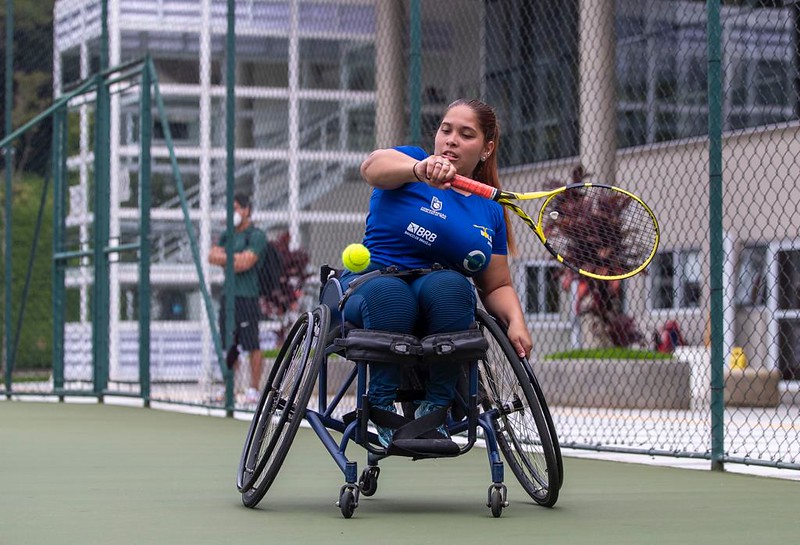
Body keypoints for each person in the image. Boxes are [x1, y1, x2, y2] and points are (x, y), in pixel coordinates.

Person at [343, 98, 533, 446]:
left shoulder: (489, 210)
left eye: (466, 134)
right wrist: (420, 170)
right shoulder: (410, 161)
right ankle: (382, 404)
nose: (451, 140)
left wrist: (516, 320)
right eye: (446, 130)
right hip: (373, 283)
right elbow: (371, 166)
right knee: (392, 297)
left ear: (486, 148)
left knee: (454, 288)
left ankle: (437, 407)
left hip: (438, 297)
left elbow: (496, 284)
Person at [208, 193, 267, 404]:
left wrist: (227, 258)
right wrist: (235, 257)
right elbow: (211, 256)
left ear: (246, 210)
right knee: (230, 343)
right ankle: (229, 387)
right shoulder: (227, 235)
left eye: (236, 208)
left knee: (252, 343)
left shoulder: (257, 235)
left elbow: (246, 263)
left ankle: (253, 389)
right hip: (228, 296)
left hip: (248, 296)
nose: (233, 213)